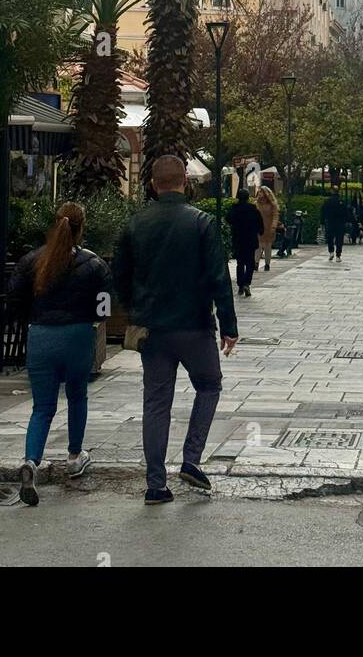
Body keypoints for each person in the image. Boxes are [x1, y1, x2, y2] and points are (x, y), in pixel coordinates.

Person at [112, 155, 238, 505]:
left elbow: (118, 274)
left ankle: (155, 484)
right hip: (195, 326)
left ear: (152, 184)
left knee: (156, 403)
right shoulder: (202, 223)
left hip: (152, 329)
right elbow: (218, 278)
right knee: (209, 385)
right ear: (186, 181)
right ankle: (191, 458)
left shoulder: (135, 223)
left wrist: (135, 307)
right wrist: (228, 326)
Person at [8, 201, 112, 507]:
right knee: (78, 396)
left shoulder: (32, 260)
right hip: (78, 335)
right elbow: (104, 307)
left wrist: (32, 319)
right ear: (82, 228)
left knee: (42, 407)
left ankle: (31, 461)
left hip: (40, 336)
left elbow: (14, 298)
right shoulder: (94, 264)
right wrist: (91, 316)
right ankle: (74, 455)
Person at [226, 188, 264, 296]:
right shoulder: (252, 209)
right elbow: (259, 223)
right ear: (248, 198)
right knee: (250, 263)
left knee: (240, 263)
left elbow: (228, 218)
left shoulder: (235, 208)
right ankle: (247, 282)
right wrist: (260, 231)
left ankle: (240, 285)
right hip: (250, 239)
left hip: (238, 239)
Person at [255, 185, 280, 270]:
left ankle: (267, 264)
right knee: (258, 246)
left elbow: (275, 216)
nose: (259, 193)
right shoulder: (256, 204)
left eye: (261, 192)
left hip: (269, 228)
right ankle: (256, 263)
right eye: (259, 192)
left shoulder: (272, 205)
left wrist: (273, 226)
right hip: (259, 228)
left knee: (267, 247)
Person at [321, 190, 347, 261]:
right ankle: (338, 256)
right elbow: (346, 213)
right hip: (340, 223)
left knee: (330, 238)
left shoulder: (327, 202)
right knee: (339, 239)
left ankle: (331, 252)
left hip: (330, 222)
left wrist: (322, 222)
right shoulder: (342, 202)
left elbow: (323, 212)